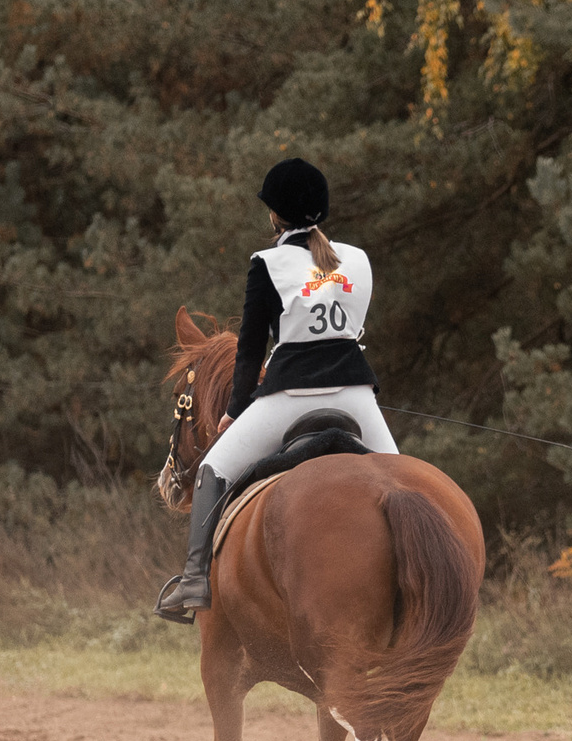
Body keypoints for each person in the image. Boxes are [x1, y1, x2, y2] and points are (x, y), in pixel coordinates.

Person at [155, 159, 399, 621]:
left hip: (289, 399)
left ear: (275, 215)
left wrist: (234, 410)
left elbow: (248, 354)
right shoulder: (358, 260)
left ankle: (193, 582)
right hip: (356, 397)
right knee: (405, 485)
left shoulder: (266, 264)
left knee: (211, 469)